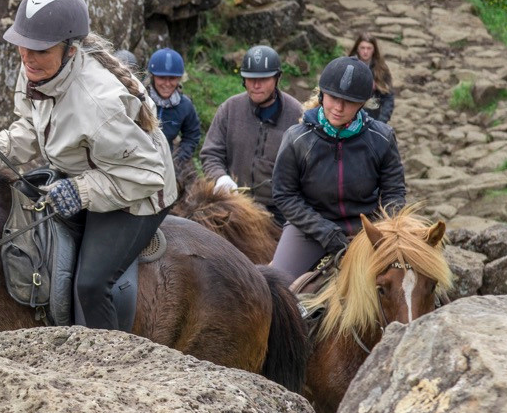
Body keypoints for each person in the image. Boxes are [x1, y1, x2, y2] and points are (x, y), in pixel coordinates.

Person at [0, 0, 177, 330]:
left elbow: (147, 173)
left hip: (138, 194)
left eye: (40, 49)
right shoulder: (35, 71)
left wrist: (82, 192)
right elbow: (31, 128)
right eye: (23, 45)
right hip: (85, 173)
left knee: (91, 284)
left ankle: (109, 363)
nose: (27, 56)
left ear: (70, 50)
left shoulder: (100, 103)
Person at [269, 55, 407, 281]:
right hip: (309, 228)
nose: (339, 108)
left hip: (368, 228)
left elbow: (394, 192)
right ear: (322, 95)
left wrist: (387, 232)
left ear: (362, 103)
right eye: (333, 98)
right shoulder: (297, 138)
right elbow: (285, 195)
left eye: (349, 101)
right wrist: (325, 231)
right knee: (278, 288)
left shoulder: (382, 137)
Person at [198, 44, 304, 213]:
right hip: (234, 203)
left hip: (279, 210)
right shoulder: (229, 109)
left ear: (277, 78)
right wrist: (220, 178)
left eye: (263, 79)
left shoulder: (297, 115)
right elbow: (211, 153)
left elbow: (306, 170)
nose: (255, 85)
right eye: (250, 78)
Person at [146, 48, 202, 180]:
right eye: (161, 78)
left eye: (172, 78)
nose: (167, 84)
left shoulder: (185, 106)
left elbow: (192, 135)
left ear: (180, 79)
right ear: (152, 77)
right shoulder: (139, 99)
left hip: (168, 161)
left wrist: (177, 160)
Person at [352, 34, 396, 123]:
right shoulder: (349, 66)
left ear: (374, 50)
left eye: (369, 48)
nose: (365, 51)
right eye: (362, 48)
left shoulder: (381, 69)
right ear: (357, 48)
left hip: (372, 117)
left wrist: (382, 121)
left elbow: (388, 97)